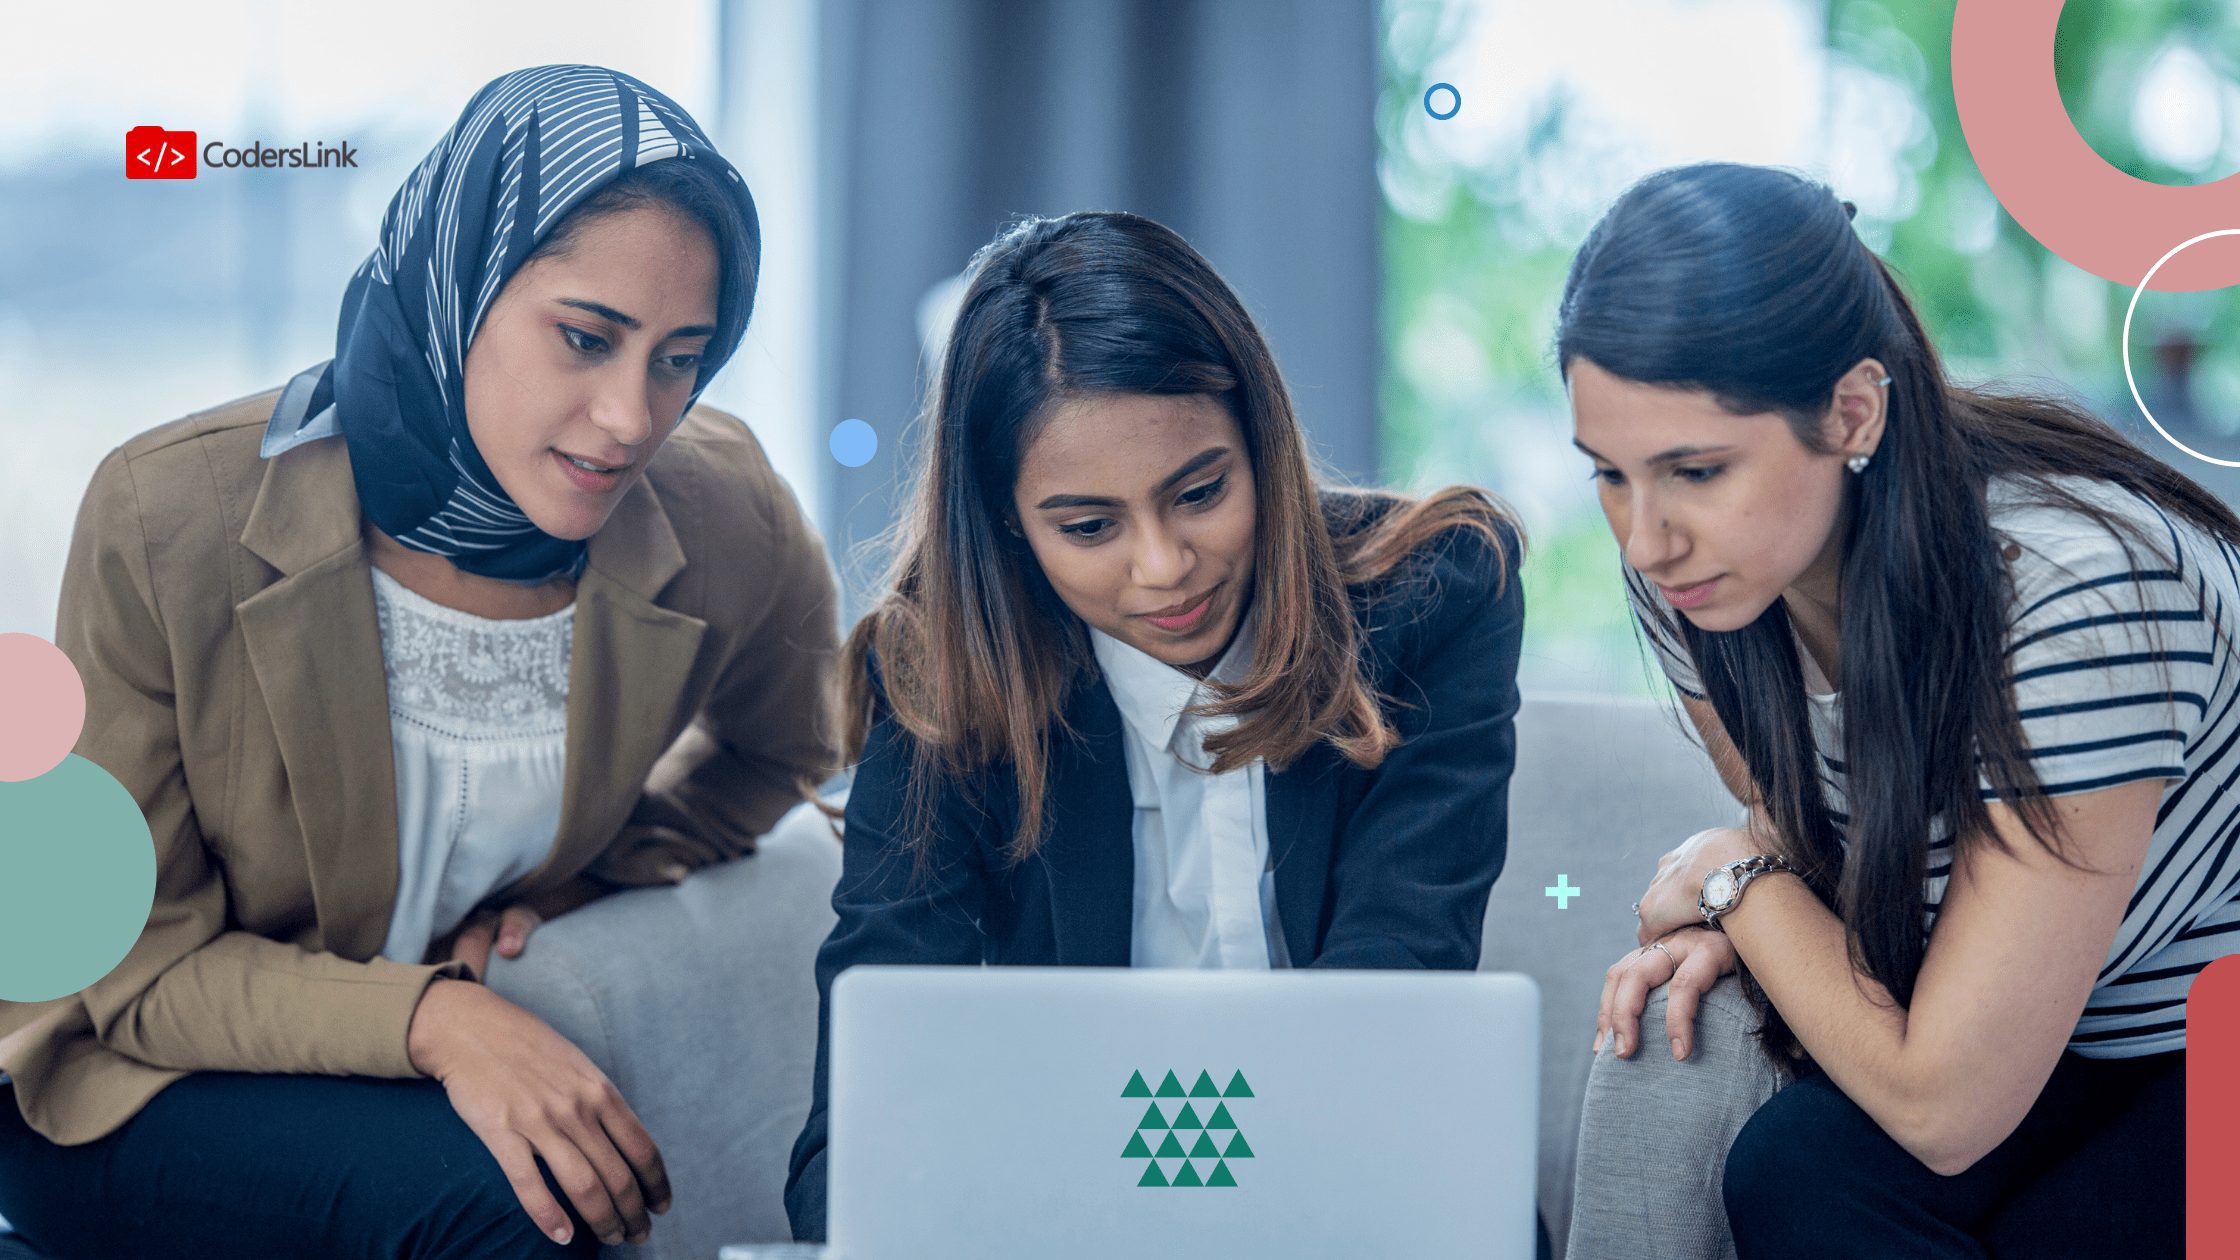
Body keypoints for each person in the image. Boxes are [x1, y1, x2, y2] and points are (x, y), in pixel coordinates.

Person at [0, 65, 840, 1259]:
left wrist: (595, 880)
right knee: (524, 1209)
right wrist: (439, 1024)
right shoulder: (164, 512)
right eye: (586, 338)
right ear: (461, 284)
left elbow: (790, 747)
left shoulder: (719, 511)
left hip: (413, 1066)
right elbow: (127, 970)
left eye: (678, 356)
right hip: (132, 1073)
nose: (629, 416)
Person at [782, 210, 1528, 1243]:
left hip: (1354, 1207)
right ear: (1006, 522)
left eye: (1200, 492)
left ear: (1260, 443)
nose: (1163, 567)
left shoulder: (1434, 599)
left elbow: (1393, 995)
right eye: (1087, 527)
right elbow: (861, 1115)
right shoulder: (943, 676)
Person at [1560, 162, 2226, 1259]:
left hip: (2204, 1021)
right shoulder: (1705, 582)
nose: (1643, 538)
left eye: (1694, 469)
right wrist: (1763, 902)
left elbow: (1944, 1108)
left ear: (1851, 410)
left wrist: (1735, 883)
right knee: (1793, 1171)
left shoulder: (2071, 596)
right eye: (1610, 475)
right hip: (2065, 1025)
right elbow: (1818, 832)